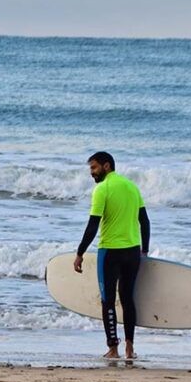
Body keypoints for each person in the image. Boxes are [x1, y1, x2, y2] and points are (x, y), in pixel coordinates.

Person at [72, 152, 149, 360]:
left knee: (108, 300)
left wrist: (80, 252)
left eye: (94, 168)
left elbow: (92, 225)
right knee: (127, 299)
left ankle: (113, 349)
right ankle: (130, 349)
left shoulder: (102, 189)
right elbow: (145, 221)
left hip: (110, 253)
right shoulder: (132, 187)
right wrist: (145, 251)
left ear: (106, 166)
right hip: (133, 252)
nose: (92, 173)